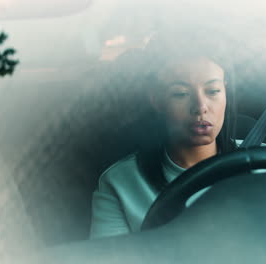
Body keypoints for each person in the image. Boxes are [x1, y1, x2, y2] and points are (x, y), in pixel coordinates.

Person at [89, 32, 238, 239]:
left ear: (226, 93)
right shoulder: (121, 184)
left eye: (213, 91)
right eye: (181, 94)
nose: (200, 107)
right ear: (156, 100)